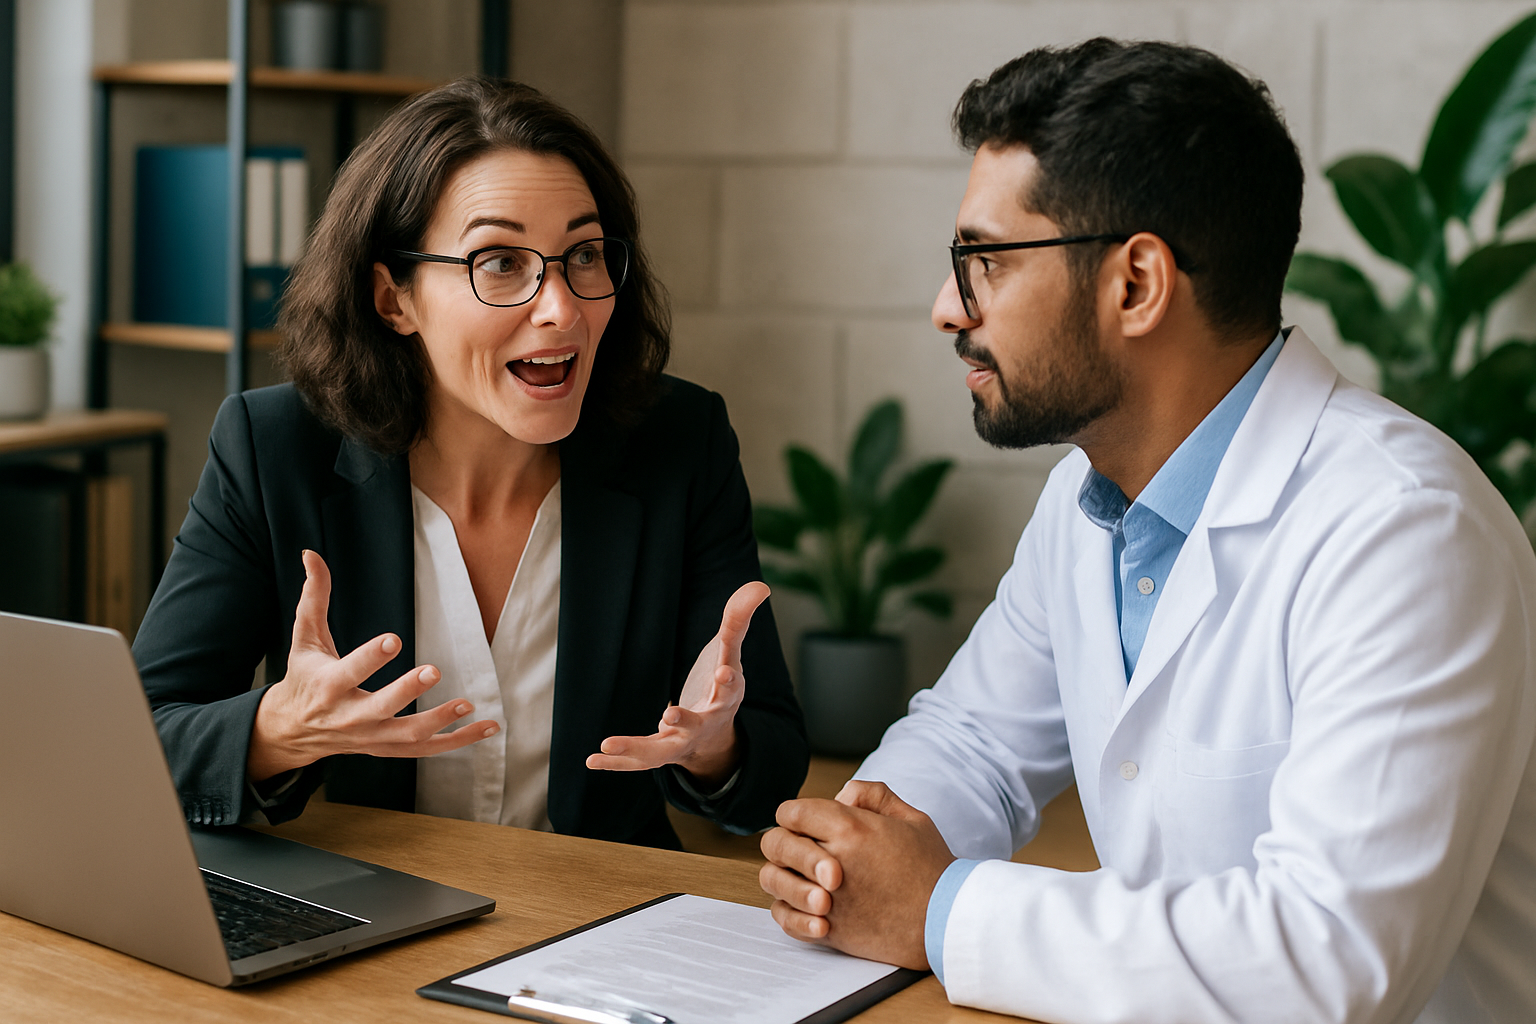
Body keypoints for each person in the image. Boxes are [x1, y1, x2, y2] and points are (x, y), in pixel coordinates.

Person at [758, 38, 1536, 1023]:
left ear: (1135, 283)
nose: (946, 308)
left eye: (984, 260)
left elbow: (1330, 961)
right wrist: (847, 857)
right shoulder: (1088, 493)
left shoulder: (1407, 531)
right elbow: (973, 743)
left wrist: (938, 907)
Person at [134, 77, 808, 849]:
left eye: (583, 254)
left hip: (596, 923)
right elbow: (142, 737)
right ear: (395, 300)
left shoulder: (680, 442)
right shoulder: (272, 446)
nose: (561, 307)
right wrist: (280, 729)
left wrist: (714, 745)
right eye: (499, 263)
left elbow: (774, 767)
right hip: (364, 907)